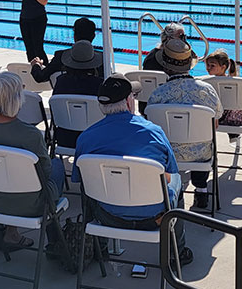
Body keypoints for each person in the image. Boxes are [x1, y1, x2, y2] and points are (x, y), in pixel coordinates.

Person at [71, 73, 193, 265]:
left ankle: (100, 249)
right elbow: (168, 176)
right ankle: (177, 250)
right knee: (176, 178)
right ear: (129, 102)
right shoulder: (153, 132)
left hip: (107, 215)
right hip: (153, 217)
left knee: (88, 186)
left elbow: (79, 180)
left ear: (101, 106)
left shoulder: (86, 138)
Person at [0, 71, 64, 248]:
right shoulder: (30, 135)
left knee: (8, 174)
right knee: (57, 165)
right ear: (17, 98)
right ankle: (56, 242)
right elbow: (45, 174)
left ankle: (11, 232)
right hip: (32, 205)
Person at [147, 39, 222, 210]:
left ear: (165, 66)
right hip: (201, 154)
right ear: (190, 64)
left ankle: (173, 190)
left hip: (168, 155)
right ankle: (201, 188)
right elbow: (216, 121)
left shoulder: (157, 94)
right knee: (204, 141)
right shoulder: (207, 90)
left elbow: (153, 129)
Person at [205, 49, 242, 145]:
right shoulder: (236, 82)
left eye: (212, 65)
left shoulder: (207, 82)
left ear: (223, 67)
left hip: (216, 120)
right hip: (236, 119)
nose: (208, 68)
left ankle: (233, 134)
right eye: (207, 65)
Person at [30, 17, 100, 83]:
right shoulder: (102, 61)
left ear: (74, 36)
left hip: (63, 94)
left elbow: (40, 76)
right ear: (93, 36)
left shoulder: (60, 57)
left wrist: (36, 65)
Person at [138, 22, 187, 114]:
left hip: (147, 108)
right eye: (181, 37)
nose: (184, 40)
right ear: (168, 39)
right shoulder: (172, 59)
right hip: (168, 108)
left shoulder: (150, 56)